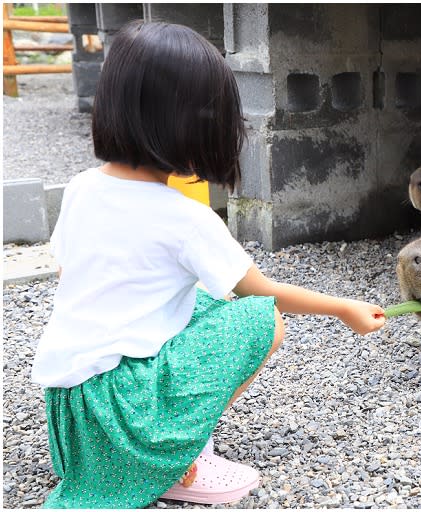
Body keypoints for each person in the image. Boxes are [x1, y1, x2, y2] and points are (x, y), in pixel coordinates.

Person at [30, 20, 386, 508]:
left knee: (198, 299)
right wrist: (344, 307)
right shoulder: (185, 218)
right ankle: (176, 457)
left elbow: (71, 275)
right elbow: (262, 294)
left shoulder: (80, 188)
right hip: (125, 419)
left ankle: (128, 450)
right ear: (187, 125)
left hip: (72, 417)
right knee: (260, 321)